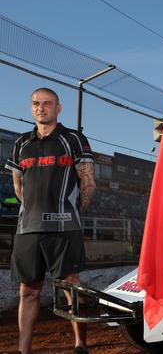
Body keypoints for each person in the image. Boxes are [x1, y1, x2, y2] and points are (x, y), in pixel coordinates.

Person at [6, 88, 96, 354]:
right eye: (36, 103)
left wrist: (69, 212)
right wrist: (32, 210)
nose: (40, 108)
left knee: (71, 287)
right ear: (31, 107)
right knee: (28, 291)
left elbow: (88, 183)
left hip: (64, 227)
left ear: (58, 108)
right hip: (28, 228)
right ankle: (25, 349)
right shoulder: (21, 143)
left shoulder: (74, 139)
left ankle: (80, 344)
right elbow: (17, 185)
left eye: (47, 103)